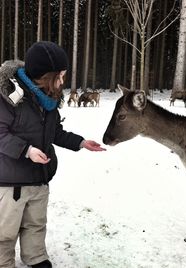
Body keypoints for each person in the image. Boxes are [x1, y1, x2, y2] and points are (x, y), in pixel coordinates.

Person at [0, 41, 106, 268]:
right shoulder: (8, 96)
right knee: (4, 230)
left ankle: (36, 256)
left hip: (40, 177)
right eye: (60, 76)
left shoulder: (48, 98)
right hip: (10, 182)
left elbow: (54, 132)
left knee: (36, 224)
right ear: (44, 75)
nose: (62, 81)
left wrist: (80, 142)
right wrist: (26, 151)